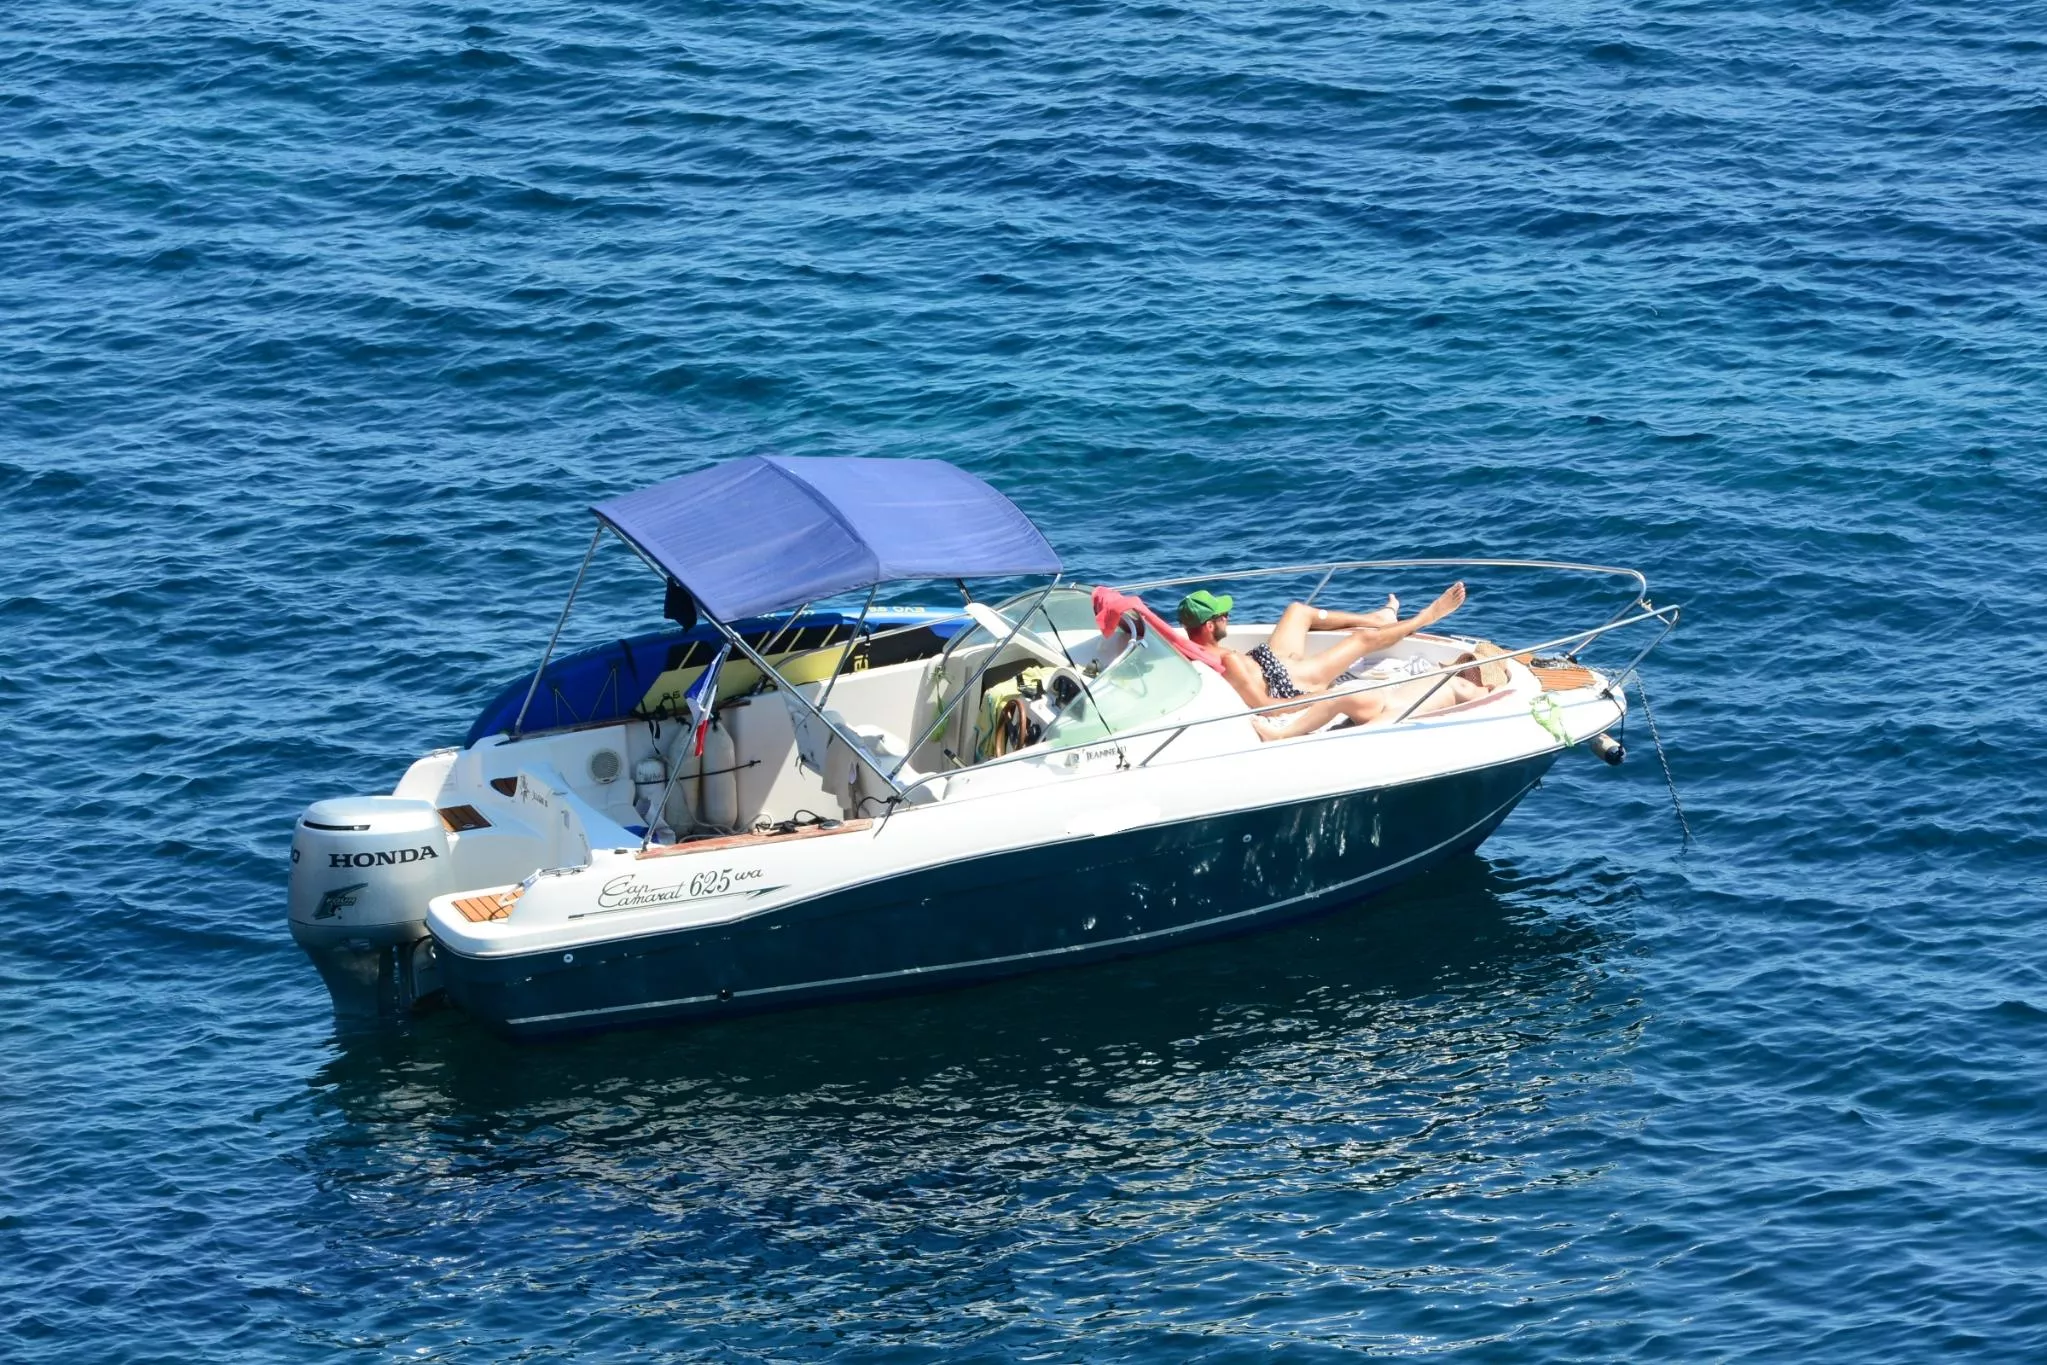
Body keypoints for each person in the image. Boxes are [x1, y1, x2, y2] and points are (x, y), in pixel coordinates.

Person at [1175, 585, 1492, 739]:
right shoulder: (1228, 661)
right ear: (1208, 626)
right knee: (1360, 641)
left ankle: (1378, 618)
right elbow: (1266, 706)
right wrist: (1318, 698)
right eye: (1221, 615)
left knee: (1297, 611)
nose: (1228, 616)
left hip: (1268, 661)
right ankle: (1426, 617)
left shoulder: (1193, 647)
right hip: (1289, 682)